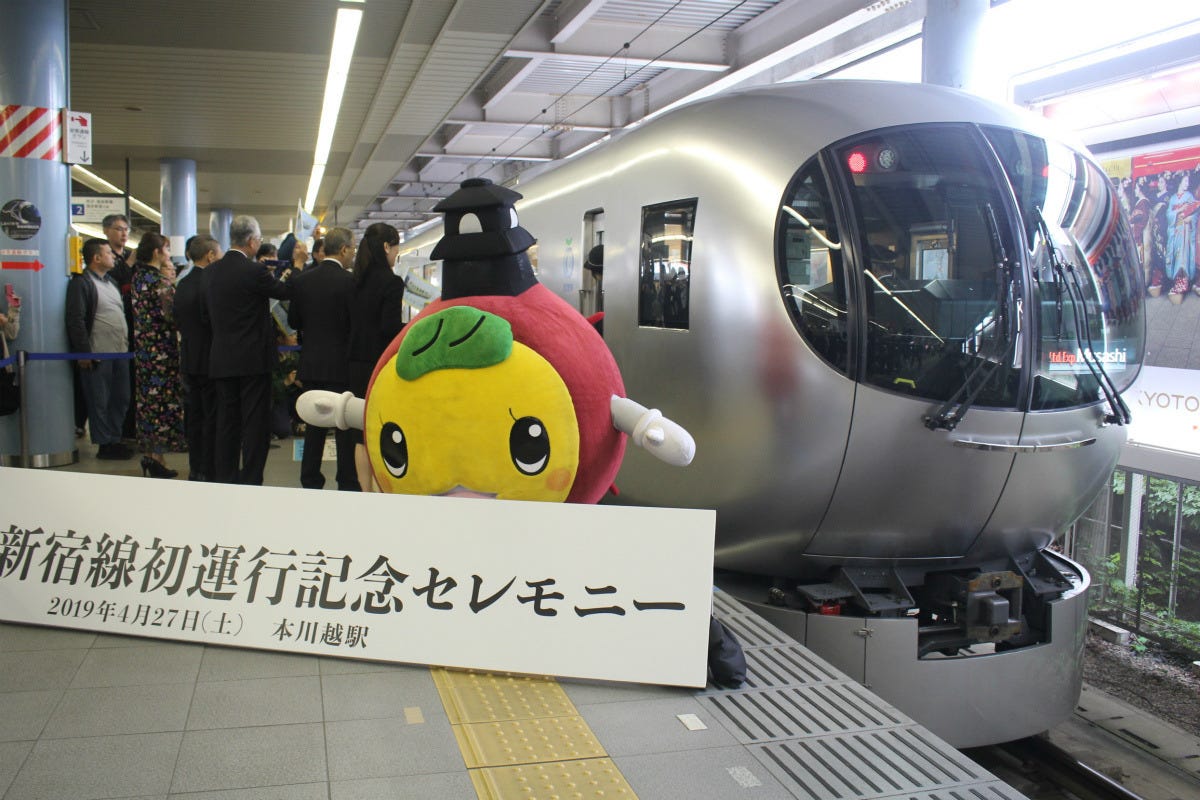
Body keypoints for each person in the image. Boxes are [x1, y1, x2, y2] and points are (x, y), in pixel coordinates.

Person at [205, 215, 291, 485]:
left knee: (226, 422)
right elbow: (284, 292)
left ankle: (226, 476)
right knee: (255, 423)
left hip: (222, 358)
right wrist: (295, 269)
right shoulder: (254, 273)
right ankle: (251, 478)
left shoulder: (210, 272)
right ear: (253, 242)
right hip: (253, 361)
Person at [287, 226, 358, 491]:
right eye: (352, 249)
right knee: (344, 426)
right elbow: (355, 325)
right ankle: (347, 480)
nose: (353, 254)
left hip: (312, 364)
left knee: (314, 424)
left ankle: (310, 480)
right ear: (343, 250)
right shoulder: (351, 283)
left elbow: (294, 320)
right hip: (342, 365)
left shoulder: (303, 281)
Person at [348, 223, 405, 489]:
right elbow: (389, 328)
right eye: (396, 248)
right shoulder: (391, 282)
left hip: (355, 361)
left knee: (360, 434)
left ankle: (364, 490)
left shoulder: (354, 281)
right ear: (386, 247)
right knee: (380, 428)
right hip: (378, 364)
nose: (396, 254)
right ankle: (379, 489)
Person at [65, 239, 133, 461]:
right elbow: (75, 319)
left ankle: (115, 437)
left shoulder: (111, 282)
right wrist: (83, 352)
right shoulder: (82, 283)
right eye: (108, 253)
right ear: (96, 258)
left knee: (121, 398)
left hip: (120, 351)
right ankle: (105, 443)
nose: (113, 257)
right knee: (99, 400)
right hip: (97, 353)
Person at [131, 233, 184, 478]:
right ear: (156, 252)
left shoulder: (138, 278)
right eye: (166, 249)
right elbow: (172, 314)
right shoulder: (159, 282)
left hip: (143, 348)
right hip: (162, 349)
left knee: (147, 404)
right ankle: (156, 458)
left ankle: (153, 456)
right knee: (162, 403)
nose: (168, 253)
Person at [175, 234, 222, 481]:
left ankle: (196, 468)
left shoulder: (182, 284)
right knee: (212, 418)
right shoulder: (211, 283)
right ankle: (210, 469)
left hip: (189, 359)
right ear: (210, 255)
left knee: (193, 418)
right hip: (211, 361)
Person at [101, 213, 137, 438]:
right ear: (106, 231)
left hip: (129, 328)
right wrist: (130, 262)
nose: (123, 234)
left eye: (126, 230)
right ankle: (113, 435)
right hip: (108, 335)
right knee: (111, 390)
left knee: (127, 387)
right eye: (118, 229)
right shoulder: (104, 259)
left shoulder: (125, 258)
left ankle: (128, 428)